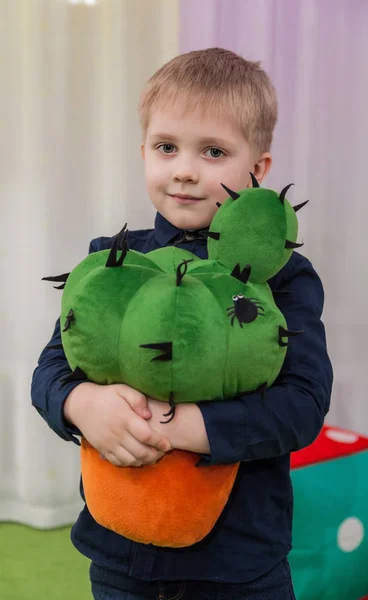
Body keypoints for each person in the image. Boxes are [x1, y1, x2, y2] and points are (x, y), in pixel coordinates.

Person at [31, 47, 333, 600]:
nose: (185, 170)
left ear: (257, 170)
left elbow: (303, 405)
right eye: (166, 147)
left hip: (242, 564)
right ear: (144, 151)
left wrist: (173, 428)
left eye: (213, 151)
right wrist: (82, 405)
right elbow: (52, 368)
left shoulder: (283, 279)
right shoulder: (111, 262)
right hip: (119, 555)